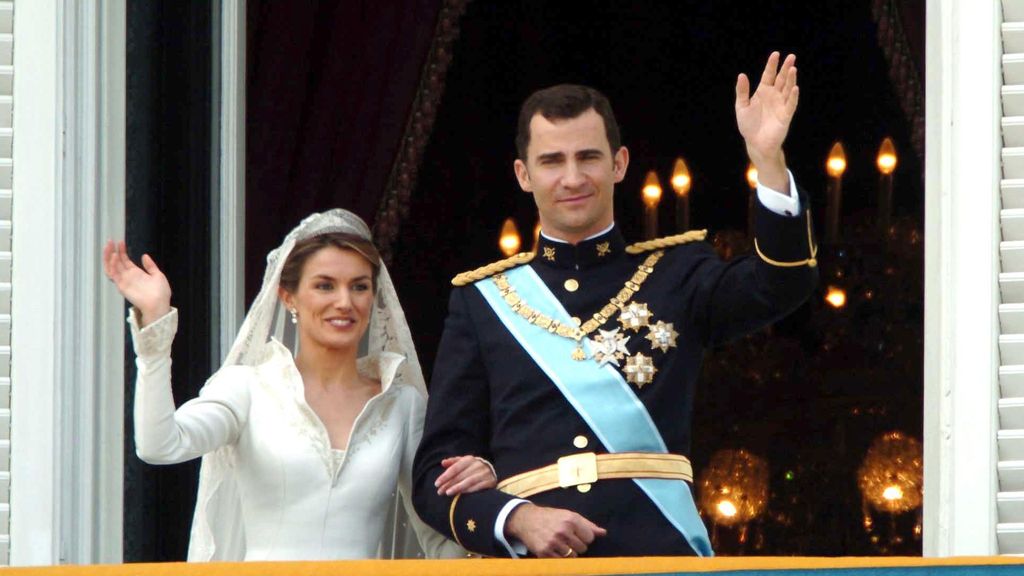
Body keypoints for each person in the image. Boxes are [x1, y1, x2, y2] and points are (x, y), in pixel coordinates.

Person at [412, 52, 818, 558]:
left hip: (659, 554)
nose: (573, 177)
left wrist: (767, 160)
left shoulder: (678, 272)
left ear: (619, 163)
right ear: (523, 174)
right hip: (534, 567)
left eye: (588, 157)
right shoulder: (483, 302)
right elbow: (434, 478)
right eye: (552, 161)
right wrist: (517, 518)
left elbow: (782, 284)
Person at [104, 209, 494, 561]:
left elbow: (439, 539)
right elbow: (160, 445)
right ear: (287, 295)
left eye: (359, 286)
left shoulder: (402, 402)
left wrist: (487, 497)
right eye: (325, 285)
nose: (345, 301)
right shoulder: (247, 388)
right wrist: (154, 335)